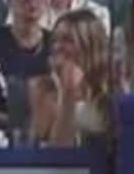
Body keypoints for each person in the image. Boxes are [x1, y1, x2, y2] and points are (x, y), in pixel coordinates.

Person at [28, 8, 115, 147]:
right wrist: (67, 93)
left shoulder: (111, 86)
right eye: (55, 40)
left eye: (68, 40)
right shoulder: (43, 88)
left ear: (89, 43)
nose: (57, 47)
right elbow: (56, 153)